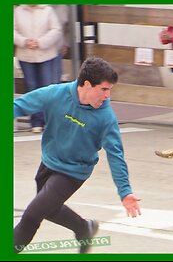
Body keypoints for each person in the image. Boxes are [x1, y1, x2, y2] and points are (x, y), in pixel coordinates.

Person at [13, 57, 142, 254]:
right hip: (48, 162)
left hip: (73, 172)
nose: (107, 96)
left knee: (32, 215)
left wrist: (125, 192)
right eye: (104, 89)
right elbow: (19, 105)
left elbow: (116, 155)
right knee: (50, 210)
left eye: (110, 90)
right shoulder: (56, 94)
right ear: (87, 85)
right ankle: (84, 228)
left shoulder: (106, 118)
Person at [14, 5, 62, 133]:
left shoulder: (48, 10)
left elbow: (56, 30)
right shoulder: (18, 11)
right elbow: (11, 30)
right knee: (31, 88)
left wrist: (40, 42)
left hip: (46, 55)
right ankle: (36, 122)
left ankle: (50, 121)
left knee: (47, 88)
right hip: (25, 55)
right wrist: (24, 41)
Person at [52, 5, 71, 83]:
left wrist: (66, 43)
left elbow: (69, 28)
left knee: (55, 80)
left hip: (58, 48)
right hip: (40, 50)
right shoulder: (43, 7)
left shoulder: (65, 8)